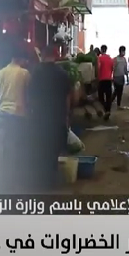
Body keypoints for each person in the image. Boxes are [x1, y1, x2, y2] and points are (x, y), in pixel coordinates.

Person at [26, 44, 73, 192]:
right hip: (57, 117)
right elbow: (68, 97)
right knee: (54, 150)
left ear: (43, 55)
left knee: (41, 148)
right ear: (55, 55)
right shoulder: (62, 73)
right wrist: (66, 116)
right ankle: (51, 181)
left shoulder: (35, 72)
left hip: (39, 117)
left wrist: (31, 112)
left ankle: (40, 180)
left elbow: (30, 96)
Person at [0, 46, 31, 187]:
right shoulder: (24, 73)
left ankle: (5, 178)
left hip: (3, 112)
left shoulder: (1, 72)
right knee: (18, 146)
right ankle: (15, 179)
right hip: (18, 113)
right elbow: (28, 93)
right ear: (21, 59)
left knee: (6, 146)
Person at [96, 45, 114, 119]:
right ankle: (108, 110)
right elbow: (112, 68)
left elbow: (98, 68)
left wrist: (97, 78)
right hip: (109, 79)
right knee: (108, 97)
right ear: (106, 50)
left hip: (101, 80)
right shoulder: (110, 59)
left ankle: (105, 109)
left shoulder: (99, 58)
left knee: (100, 97)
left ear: (101, 50)